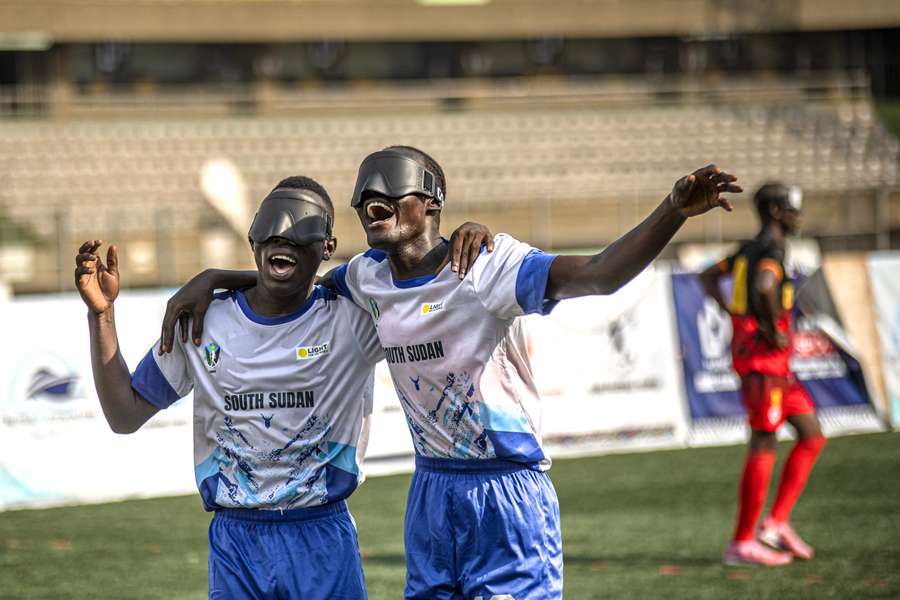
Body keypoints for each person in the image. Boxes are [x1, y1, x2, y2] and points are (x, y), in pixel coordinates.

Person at [164, 146, 740, 599]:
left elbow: (598, 274)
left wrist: (671, 212)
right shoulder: (367, 279)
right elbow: (291, 280)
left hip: (505, 489)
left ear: (431, 203)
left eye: (392, 185)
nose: (374, 196)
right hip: (431, 491)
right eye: (366, 191)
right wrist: (214, 277)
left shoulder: (485, 266)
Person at [77, 176, 384, 599]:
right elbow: (124, 414)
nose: (285, 237)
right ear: (254, 235)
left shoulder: (354, 318)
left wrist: (217, 274)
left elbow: (414, 278)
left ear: (327, 247)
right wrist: (101, 315)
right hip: (237, 543)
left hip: (322, 534)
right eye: (273, 225)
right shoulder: (202, 321)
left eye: (302, 230)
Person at [700, 183, 826, 567]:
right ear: (774, 211)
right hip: (761, 362)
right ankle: (741, 542)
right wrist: (772, 327)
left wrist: (732, 313)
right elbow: (766, 285)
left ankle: (775, 522)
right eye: (791, 209)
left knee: (812, 434)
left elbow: (707, 276)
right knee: (764, 440)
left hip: (773, 365)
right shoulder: (771, 250)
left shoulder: (746, 248)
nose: (797, 216)